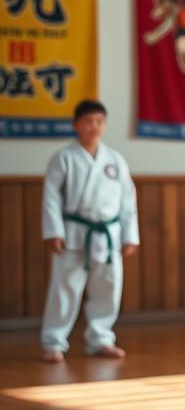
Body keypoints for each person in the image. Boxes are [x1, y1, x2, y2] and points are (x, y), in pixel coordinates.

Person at [39, 100, 140, 363]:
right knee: (64, 290)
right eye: (88, 121)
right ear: (76, 125)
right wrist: (53, 231)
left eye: (99, 121)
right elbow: (51, 198)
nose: (94, 127)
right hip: (73, 233)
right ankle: (54, 342)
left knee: (108, 289)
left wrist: (130, 236)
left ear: (105, 125)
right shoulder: (64, 158)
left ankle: (101, 339)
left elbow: (128, 201)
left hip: (108, 235)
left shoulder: (115, 160)